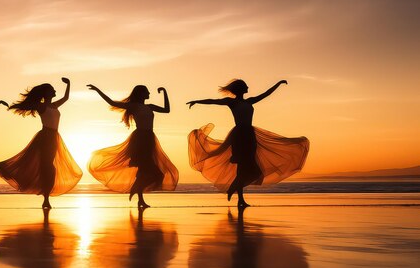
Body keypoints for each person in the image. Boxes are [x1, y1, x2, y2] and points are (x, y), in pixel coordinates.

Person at [187, 79, 309, 207]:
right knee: (241, 169)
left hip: (250, 135)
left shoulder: (249, 101)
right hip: (239, 136)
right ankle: (240, 198)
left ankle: (234, 188)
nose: (248, 86)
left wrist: (278, 84)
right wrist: (196, 101)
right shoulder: (231, 102)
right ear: (240, 89)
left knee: (253, 170)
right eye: (246, 86)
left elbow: (266, 94)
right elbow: (213, 101)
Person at [0, 78, 82, 209]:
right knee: (46, 166)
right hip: (45, 137)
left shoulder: (54, 105)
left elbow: (66, 98)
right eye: (52, 89)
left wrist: (69, 84)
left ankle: (46, 198)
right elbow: (29, 104)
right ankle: (46, 199)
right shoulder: (41, 106)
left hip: (54, 137)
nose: (54, 91)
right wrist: (16, 106)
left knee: (50, 167)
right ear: (46, 93)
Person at [87, 84, 178, 208]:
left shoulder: (149, 106)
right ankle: (137, 190)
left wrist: (165, 92)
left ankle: (139, 197)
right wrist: (97, 90)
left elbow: (167, 110)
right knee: (152, 171)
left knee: (144, 171)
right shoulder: (133, 106)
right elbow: (111, 102)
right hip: (140, 139)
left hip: (149, 138)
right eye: (147, 91)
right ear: (141, 93)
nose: (149, 93)